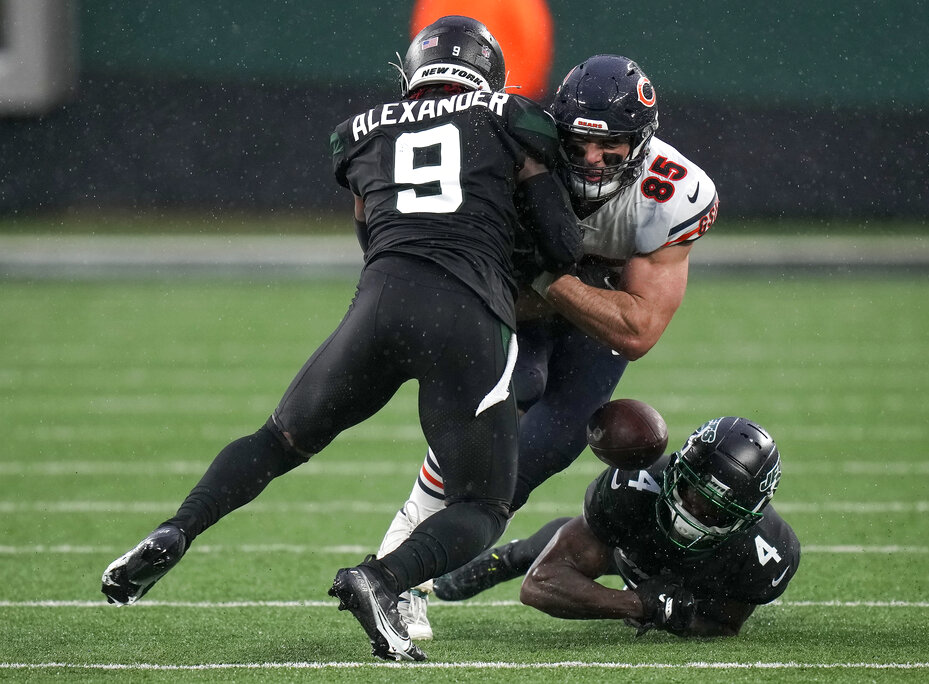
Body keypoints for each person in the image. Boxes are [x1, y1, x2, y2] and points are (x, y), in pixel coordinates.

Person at [99, 15, 582, 663]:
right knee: (483, 503)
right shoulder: (512, 117)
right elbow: (562, 246)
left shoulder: (359, 132)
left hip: (379, 304)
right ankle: (380, 579)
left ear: (413, 72)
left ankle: (177, 528)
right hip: (467, 312)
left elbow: (369, 233)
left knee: (276, 440)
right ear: (489, 75)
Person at [375, 54, 721, 640]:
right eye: (578, 143)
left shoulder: (673, 193)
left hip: (583, 315)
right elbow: (474, 288)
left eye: (610, 146)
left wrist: (550, 277)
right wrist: (555, 283)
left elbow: (636, 332)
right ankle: (396, 573)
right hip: (510, 303)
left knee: (544, 450)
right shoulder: (512, 157)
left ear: (642, 141)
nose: (590, 160)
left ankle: (414, 568)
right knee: (504, 404)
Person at [436, 416, 800, 638]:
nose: (693, 509)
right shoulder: (637, 485)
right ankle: (509, 556)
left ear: (746, 516)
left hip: (699, 577)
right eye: (690, 488)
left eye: (713, 509)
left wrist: (680, 616)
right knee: (568, 550)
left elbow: (724, 624)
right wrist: (637, 605)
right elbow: (541, 584)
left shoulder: (768, 553)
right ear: (677, 469)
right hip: (633, 550)